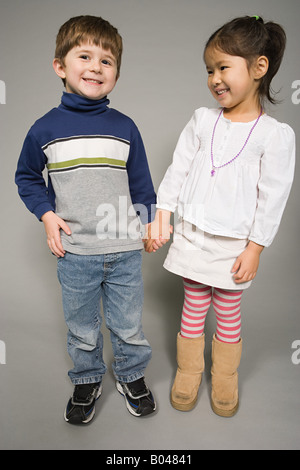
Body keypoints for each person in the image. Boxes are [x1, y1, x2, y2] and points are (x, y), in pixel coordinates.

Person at [144, 15, 295, 417]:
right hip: (194, 236)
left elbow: (273, 197)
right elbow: (177, 169)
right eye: (209, 70)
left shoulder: (273, 135)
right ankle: (189, 371)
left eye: (223, 67)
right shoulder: (203, 120)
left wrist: (256, 247)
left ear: (258, 67)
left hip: (233, 245)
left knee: (227, 309)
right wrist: (163, 215)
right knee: (193, 304)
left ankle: (225, 376)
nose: (214, 78)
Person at [15, 15, 157, 424]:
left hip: (125, 249)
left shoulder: (125, 128)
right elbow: (26, 177)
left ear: (116, 73)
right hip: (75, 252)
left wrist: (147, 225)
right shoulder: (45, 129)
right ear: (60, 66)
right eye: (85, 56)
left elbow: (142, 185)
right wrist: (46, 214)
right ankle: (87, 377)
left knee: (128, 324)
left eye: (107, 61)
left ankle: (130, 374)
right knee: (82, 326)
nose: (96, 67)